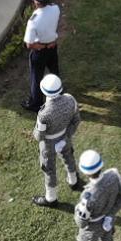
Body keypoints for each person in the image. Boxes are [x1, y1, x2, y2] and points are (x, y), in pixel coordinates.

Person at [30, 74, 83, 208]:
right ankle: (73, 181)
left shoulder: (43, 114)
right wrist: (67, 135)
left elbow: (38, 136)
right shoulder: (71, 100)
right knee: (69, 157)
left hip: (48, 144)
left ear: (43, 90)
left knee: (49, 169)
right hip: (65, 136)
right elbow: (76, 120)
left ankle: (51, 198)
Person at [21, 0, 61, 112]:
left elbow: (29, 44)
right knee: (54, 69)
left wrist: (41, 46)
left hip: (40, 51)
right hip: (53, 46)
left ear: (36, 2)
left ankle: (35, 103)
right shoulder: (56, 8)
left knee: (36, 77)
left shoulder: (33, 20)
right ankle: (58, 91)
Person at [74, 151, 121, 240]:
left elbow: (81, 223)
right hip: (109, 220)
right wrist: (111, 214)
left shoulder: (87, 197)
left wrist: (77, 208)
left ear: (86, 173)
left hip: (92, 230)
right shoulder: (115, 175)